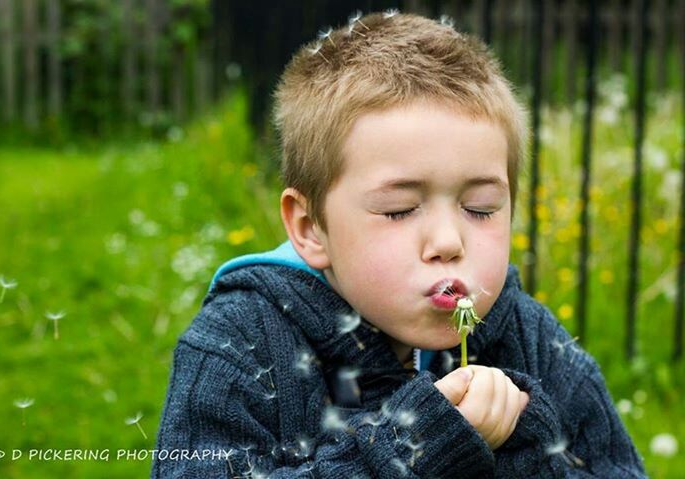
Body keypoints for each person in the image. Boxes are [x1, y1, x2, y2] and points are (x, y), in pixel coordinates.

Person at [151, 11, 646, 478]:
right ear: (309, 227)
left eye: (480, 208)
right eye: (399, 211)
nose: (450, 242)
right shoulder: (237, 345)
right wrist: (413, 449)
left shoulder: (531, 341)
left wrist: (519, 445)